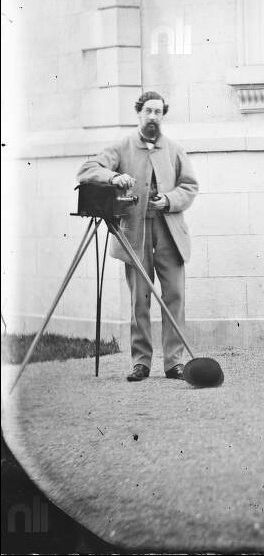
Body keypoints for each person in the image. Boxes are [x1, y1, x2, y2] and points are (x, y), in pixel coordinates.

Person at [77, 91, 199, 382]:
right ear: (139, 113)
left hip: (169, 232)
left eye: (158, 112)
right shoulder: (122, 147)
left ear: (162, 115)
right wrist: (113, 177)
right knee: (139, 300)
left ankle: (174, 363)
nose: (153, 117)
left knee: (175, 296)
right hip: (134, 232)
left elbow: (190, 186)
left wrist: (168, 200)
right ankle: (141, 362)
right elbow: (87, 170)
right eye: (148, 111)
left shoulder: (174, 149)